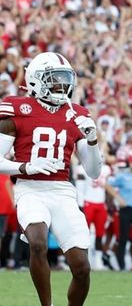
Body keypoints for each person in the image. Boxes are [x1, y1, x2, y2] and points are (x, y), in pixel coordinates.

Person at [0, 52, 103, 306]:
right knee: (37, 242)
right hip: (30, 189)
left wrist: (92, 141)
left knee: (82, 267)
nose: (62, 85)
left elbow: (94, 171)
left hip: (62, 191)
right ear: (36, 80)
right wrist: (26, 167)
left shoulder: (76, 113)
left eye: (64, 79)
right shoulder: (18, 108)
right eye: (54, 79)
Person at [79, 159, 112, 271]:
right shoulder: (82, 168)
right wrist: (80, 205)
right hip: (88, 202)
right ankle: (84, 259)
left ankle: (98, 261)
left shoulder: (106, 169)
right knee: (84, 233)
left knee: (100, 234)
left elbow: (108, 186)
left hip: (101, 203)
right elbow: (80, 187)